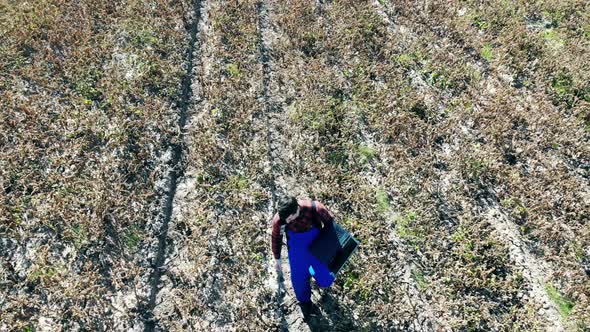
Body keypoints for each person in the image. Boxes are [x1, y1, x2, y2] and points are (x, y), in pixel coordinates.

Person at [271, 195, 336, 319]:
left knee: (326, 280)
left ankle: (313, 273)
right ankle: (305, 304)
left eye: (290, 218)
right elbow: (276, 237)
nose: (287, 221)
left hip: (317, 245)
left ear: (297, 209)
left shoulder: (315, 208)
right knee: (299, 281)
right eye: (285, 219)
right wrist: (277, 258)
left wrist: (332, 249)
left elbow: (332, 226)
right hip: (297, 250)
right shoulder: (280, 219)